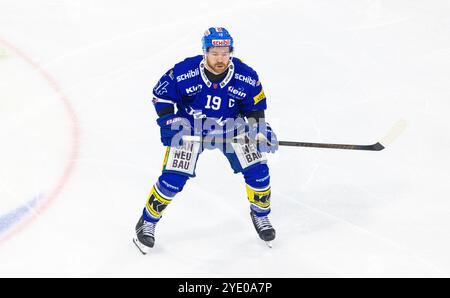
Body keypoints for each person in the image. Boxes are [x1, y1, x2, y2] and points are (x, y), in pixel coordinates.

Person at [133, 27, 279, 254]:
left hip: (231, 129)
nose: (220, 59)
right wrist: (170, 121)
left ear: (230, 52)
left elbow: (255, 107)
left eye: (224, 53)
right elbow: (161, 95)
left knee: (259, 173)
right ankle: (147, 221)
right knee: (173, 179)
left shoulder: (246, 76)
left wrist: (258, 128)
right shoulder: (184, 71)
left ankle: (261, 216)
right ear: (205, 52)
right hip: (191, 129)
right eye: (214, 53)